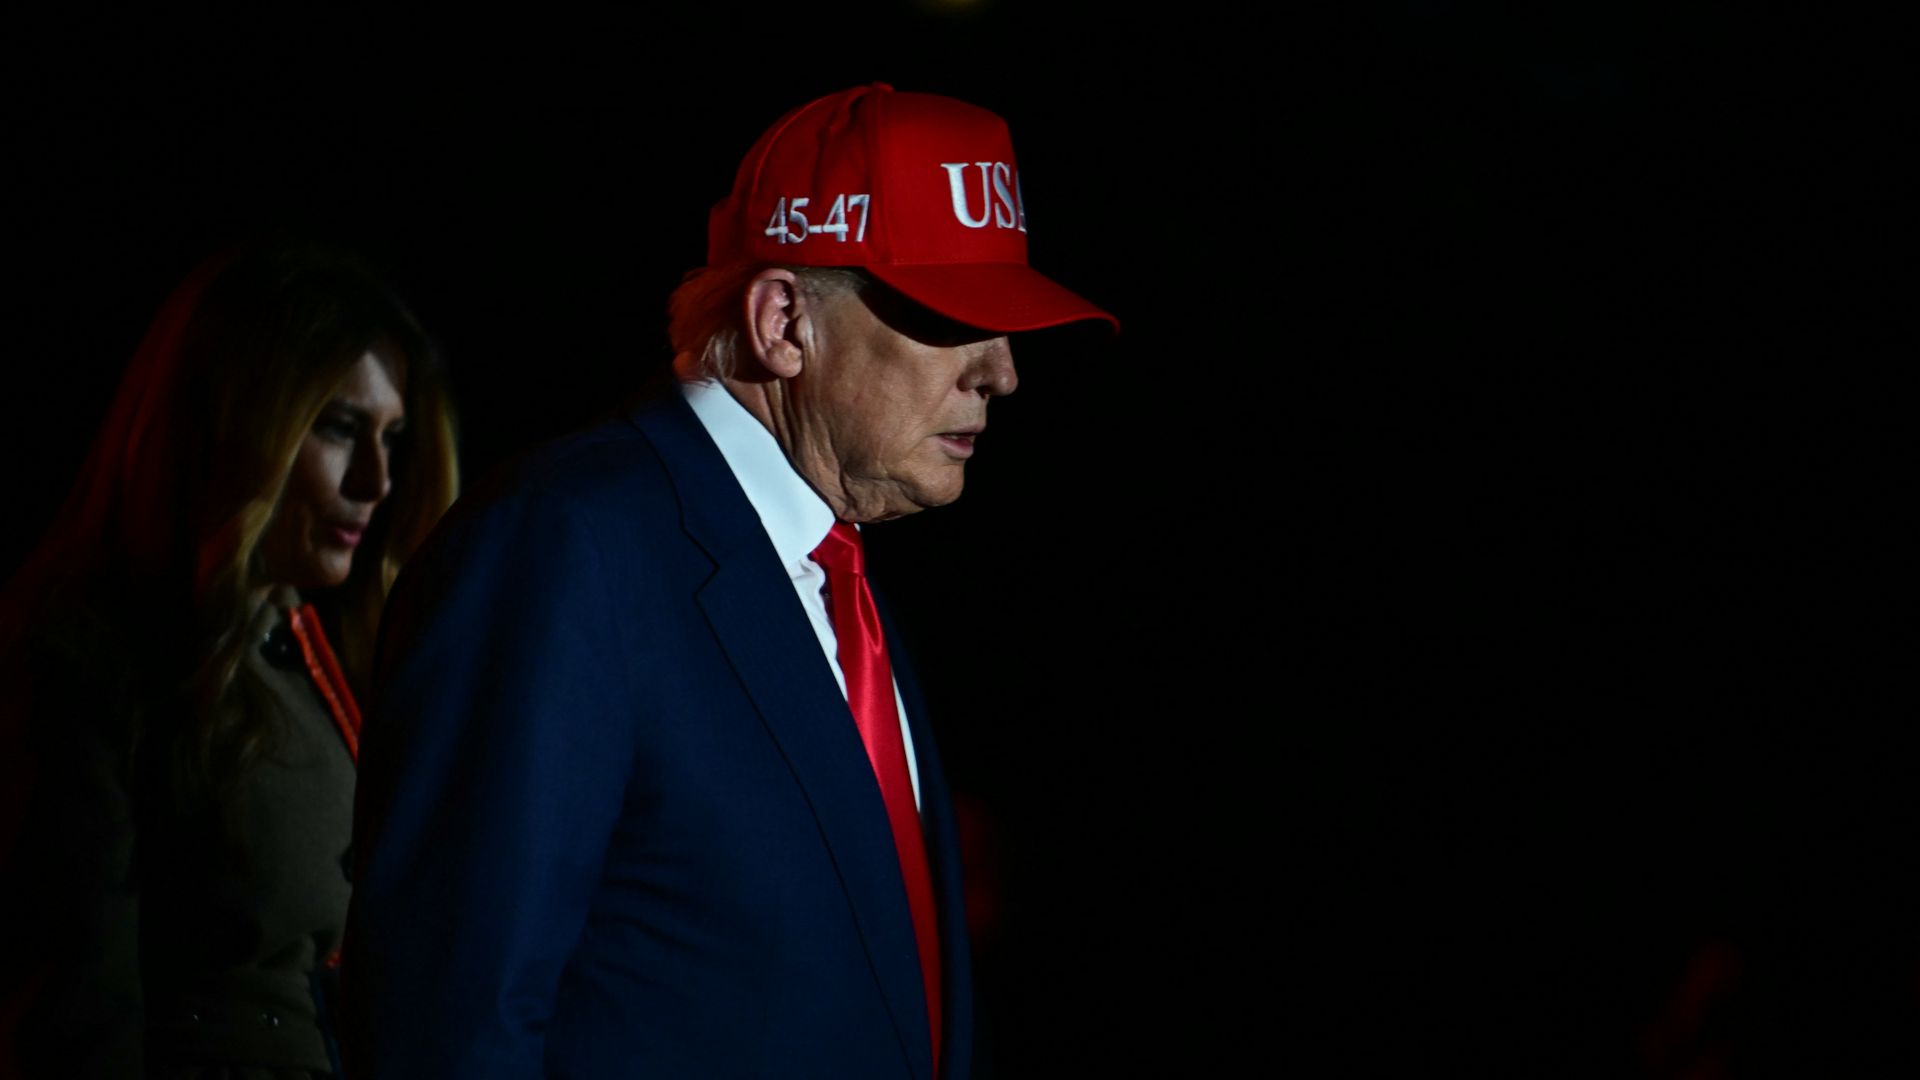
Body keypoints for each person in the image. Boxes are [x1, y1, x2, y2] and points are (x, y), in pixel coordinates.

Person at [341, 83, 1116, 1078]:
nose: (1001, 373)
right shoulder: (563, 549)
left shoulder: (838, 581)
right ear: (782, 319)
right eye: (952, 314)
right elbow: (448, 1024)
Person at [0, 239, 460, 1079]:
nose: (377, 480)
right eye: (339, 428)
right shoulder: (85, 662)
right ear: (239, 420)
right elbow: (77, 1013)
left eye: (392, 439)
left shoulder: (309, 649)